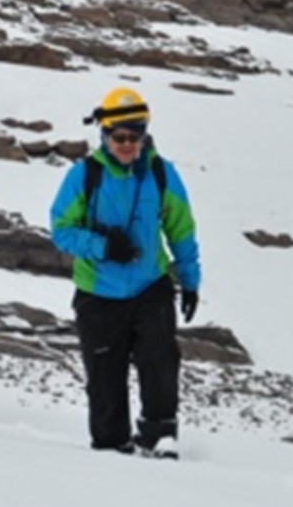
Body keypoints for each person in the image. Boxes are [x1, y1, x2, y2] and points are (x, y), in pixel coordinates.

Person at [48, 87, 201, 459]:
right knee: (105, 381)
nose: (127, 144)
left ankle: (159, 438)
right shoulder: (83, 176)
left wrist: (190, 280)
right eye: (119, 137)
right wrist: (102, 246)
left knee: (161, 365)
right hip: (98, 294)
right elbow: (61, 230)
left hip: (151, 288)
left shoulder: (162, 174)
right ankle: (110, 449)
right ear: (105, 135)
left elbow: (181, 230)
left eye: (135, 137)